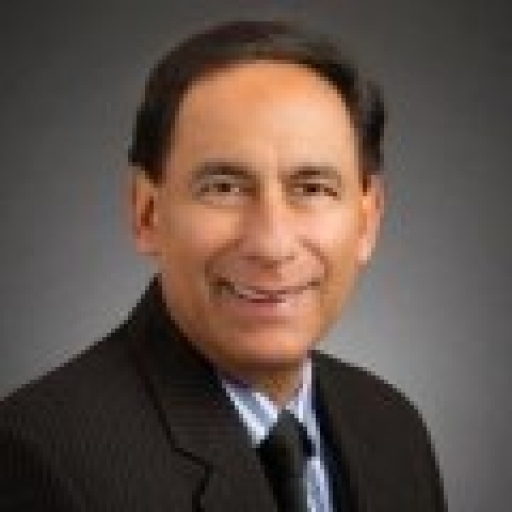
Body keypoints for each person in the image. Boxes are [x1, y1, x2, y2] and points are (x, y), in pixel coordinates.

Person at [0, 20, 447, 511]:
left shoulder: (393, 429)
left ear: (367, 220)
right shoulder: (40, 458)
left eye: (312, 188)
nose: (272, 245)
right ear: (147, 213)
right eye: (224, 188)